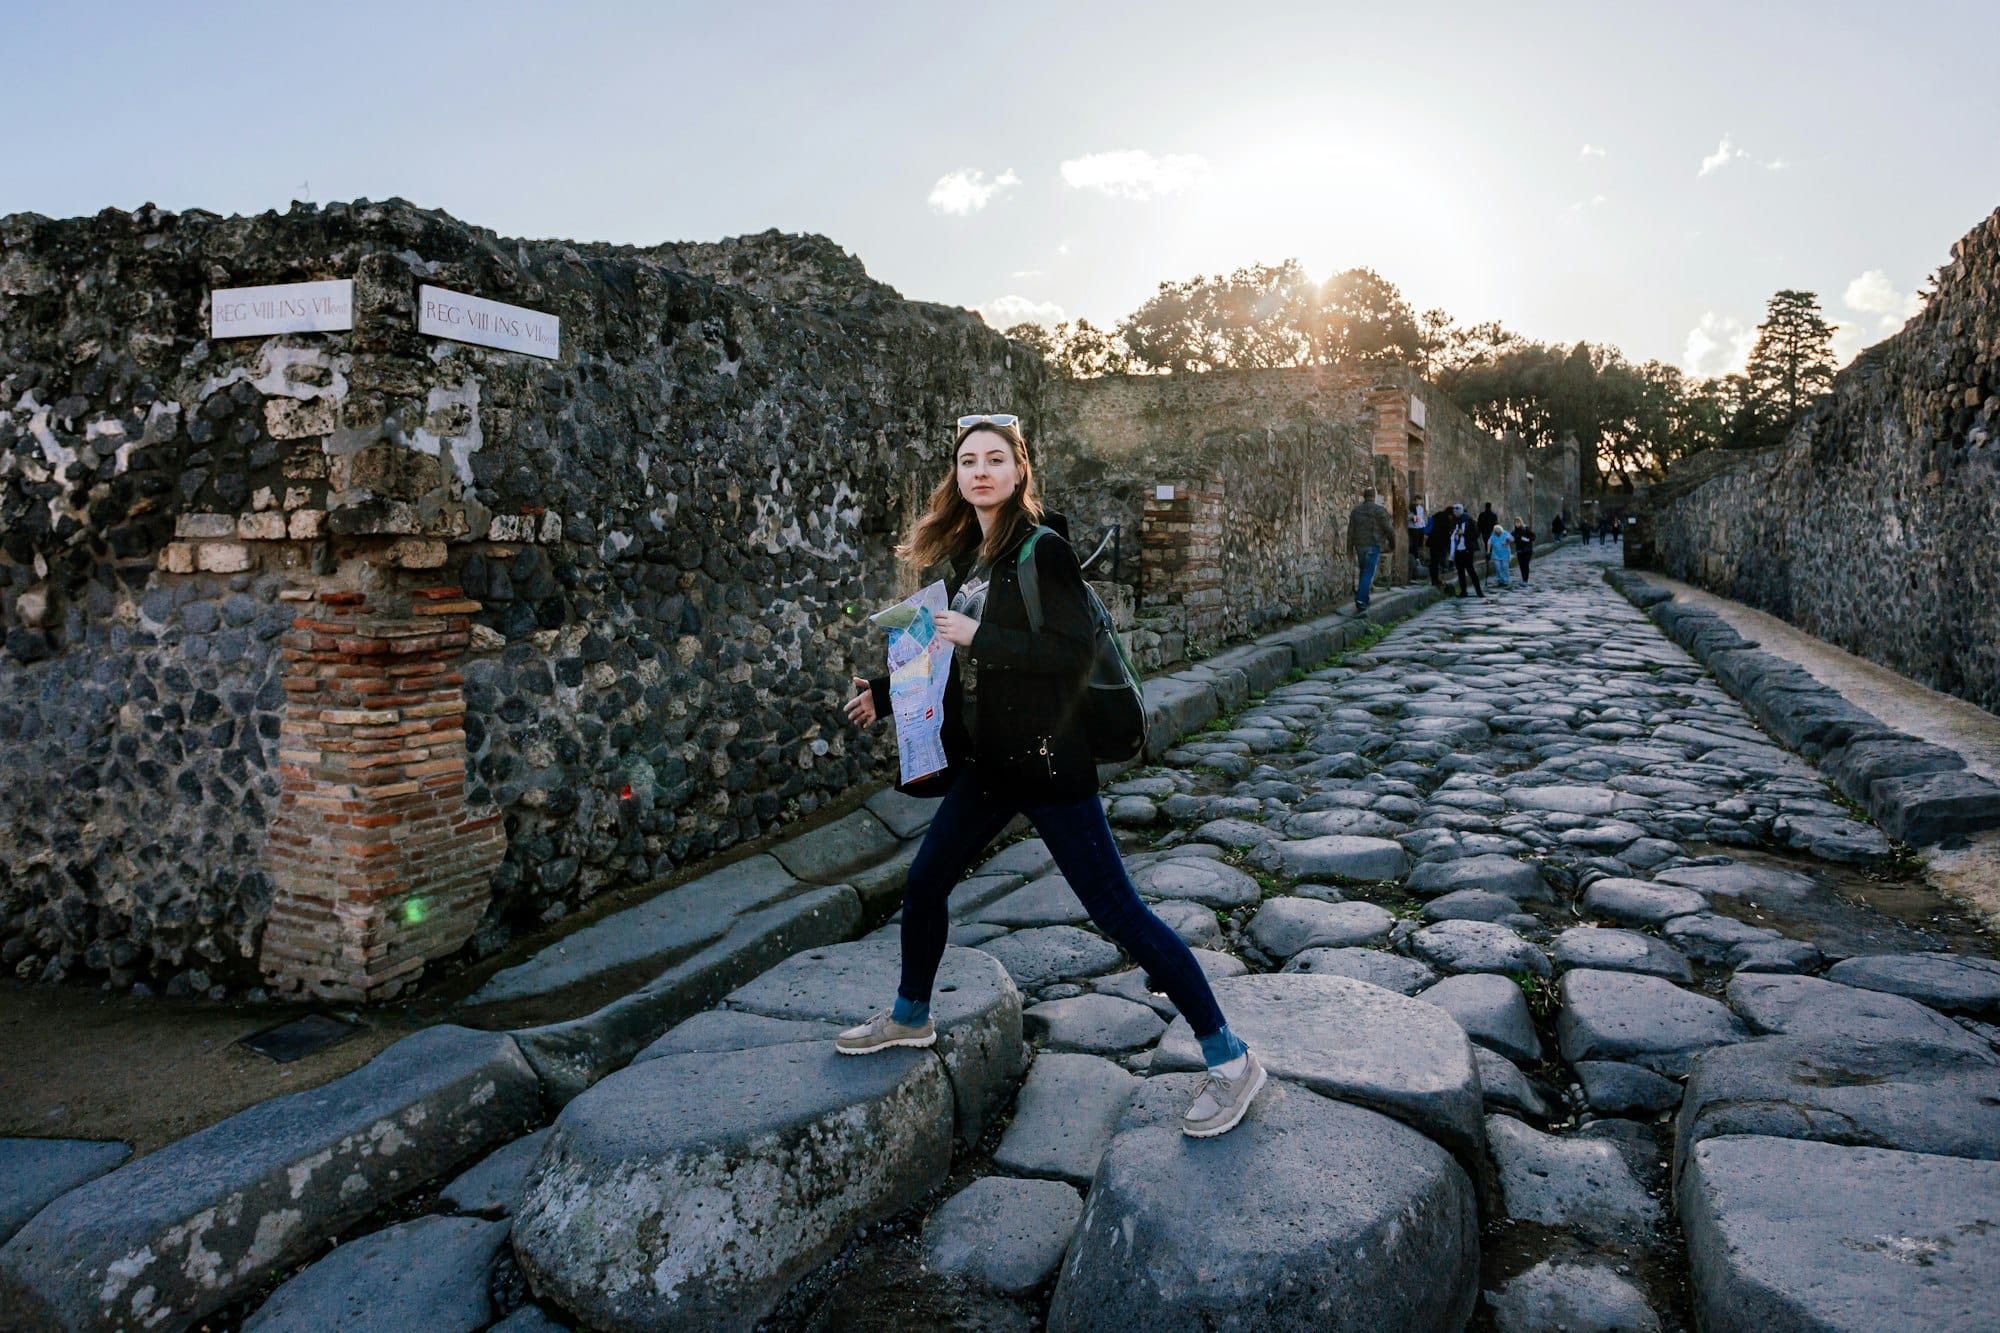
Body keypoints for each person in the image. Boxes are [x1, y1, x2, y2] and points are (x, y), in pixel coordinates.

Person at [839, 413, 1264, 1138]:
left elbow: (1067, 653)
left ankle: (1231, 1058)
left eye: (994, 459)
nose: (980, 471)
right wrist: (884, 693)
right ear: (958, 475)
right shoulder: (969, 558)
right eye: (968, 460)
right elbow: (938, 648)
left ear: (1019, 471)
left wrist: (984, 637)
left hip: (1050, 765)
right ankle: (911, 1014)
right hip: (991, 764)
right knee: (925, 883)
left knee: (1120, 914)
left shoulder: (1045, 551)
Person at [1346, 486, 1395, 613]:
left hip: (1359, 546)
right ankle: (1361, 600)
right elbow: (1389, 529)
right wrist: (1392, 545)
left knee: (1364, 572)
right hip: (1373, 545)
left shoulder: (1356, 511)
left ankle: (1365, 598)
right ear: (1375, 496)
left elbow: (1350, 532)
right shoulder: (1380, 511)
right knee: (1368, 573)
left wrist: (1349, 550)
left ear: (1364, 496)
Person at [1448, 503, 1484, 598]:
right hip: (1457, 550)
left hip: (1467, 549)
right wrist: (1453, 533)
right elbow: (1451, 532)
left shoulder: (1469, 521)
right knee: (1460, 572)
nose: (1455, 514)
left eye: (1456, 513)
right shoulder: (1454, 522)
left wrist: (1464, 533)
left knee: (1471, 571)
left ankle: (1479, 592)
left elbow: (1476, 534)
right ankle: (1463, 592)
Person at [1425, 504, 1452, 588]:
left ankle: (1434, 579)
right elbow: (1445, 533)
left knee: (1434, 561)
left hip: (1433, 542)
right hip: (1439, 543)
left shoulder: (1437, 516)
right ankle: (1435, 580)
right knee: (1436, 562)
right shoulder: (1446, 520)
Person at [1486, 520, 1513, 586]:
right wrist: (1488, 551)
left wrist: (1507, 542)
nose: (1498, 534)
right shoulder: (1493, 534)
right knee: (1498, 567)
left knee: (1505, 567)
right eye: (1497, 533)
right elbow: (1489, 542)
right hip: (1496, 554)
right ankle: (1499, 580)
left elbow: (1511, 539)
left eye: (1499, 533)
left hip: (1505, 554)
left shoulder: (1505, 533)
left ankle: (1505, 581)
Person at [1406, 498, 1429, 573]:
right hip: (1413, 527)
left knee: (1420, 543)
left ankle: (1419, 556)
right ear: (1414, 501)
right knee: (1414, 543)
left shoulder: (1421, 508)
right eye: (1417, 500)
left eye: (1420, 500)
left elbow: (1422, 517)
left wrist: (1423, 525)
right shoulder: (1410, 507)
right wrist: (1412, 517)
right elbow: (1408, 516)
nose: (1418, 502)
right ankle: (1415, 557)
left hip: (1420, 527)